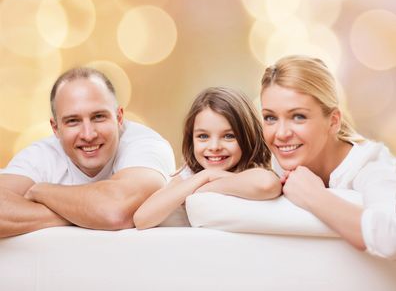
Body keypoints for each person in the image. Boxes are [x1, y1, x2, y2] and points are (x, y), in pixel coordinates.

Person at [0, 67, 175, 238]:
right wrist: (83, 215)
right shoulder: (41, 155)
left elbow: (115, 212)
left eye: (98, 117)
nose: (88, 134)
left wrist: (41, 191)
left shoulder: (146, 145)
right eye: (73, 121)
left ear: (119, 117)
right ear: (56, 128)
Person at [260, 55, 396, 259]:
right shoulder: (275, 159)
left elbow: (391, 236)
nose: (280, 134)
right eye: (270, 118)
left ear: (333, 121)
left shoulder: (371, 166)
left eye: (298, 116)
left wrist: (313, 196)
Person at [133, 87, 282, 229]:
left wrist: (208, 182)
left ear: (247, 136)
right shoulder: (190, 175)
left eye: (229, 136)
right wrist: (205, 175)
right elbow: (142, 219)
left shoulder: (253, 169)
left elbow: (268, 185)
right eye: (203, 136)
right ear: (191, 139)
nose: (214, 147)